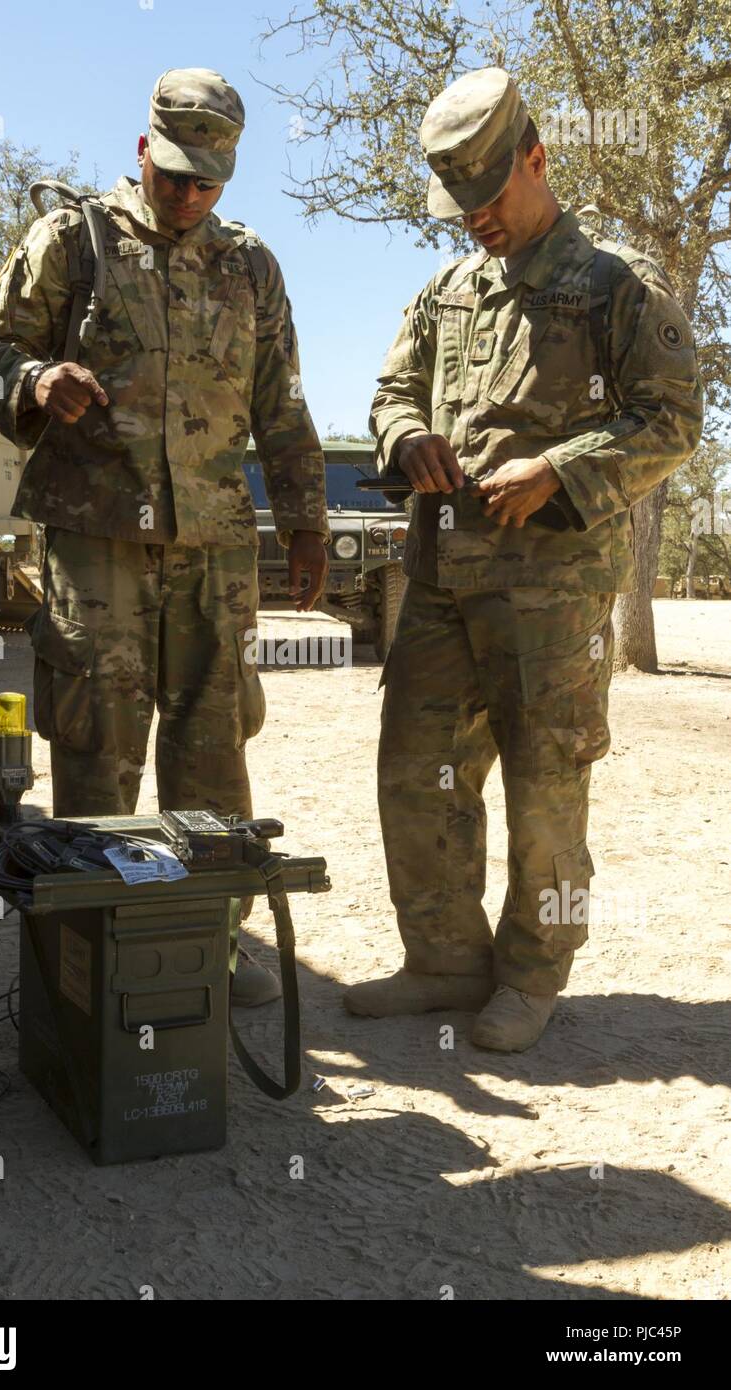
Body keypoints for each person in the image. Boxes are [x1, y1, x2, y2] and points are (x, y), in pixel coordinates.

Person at [344, 67, 703, 1049]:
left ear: (535, 161)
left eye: (487, 197)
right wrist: (404, 435)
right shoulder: (445, 293)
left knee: (545, 780)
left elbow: (673, 421)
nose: (473, 220)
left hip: (551, 596)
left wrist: (558, 471)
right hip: (439, 580)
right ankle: (443, 962)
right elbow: (389, 390)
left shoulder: (616, 288)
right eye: (459, 204)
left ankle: (531, 976)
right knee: (417, 772)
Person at [0, 67, 329, 1006]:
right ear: (143, 150)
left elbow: (281, 404)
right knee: (99, 743)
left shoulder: (252, 266)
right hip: (96, 540)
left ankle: (208, 940)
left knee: (214, 744)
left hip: (213, 544)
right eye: (174, 175)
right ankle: (93, 950)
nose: (187, 195)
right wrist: (39, 380)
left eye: (207, 182)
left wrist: (304, 522)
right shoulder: (70, 241)